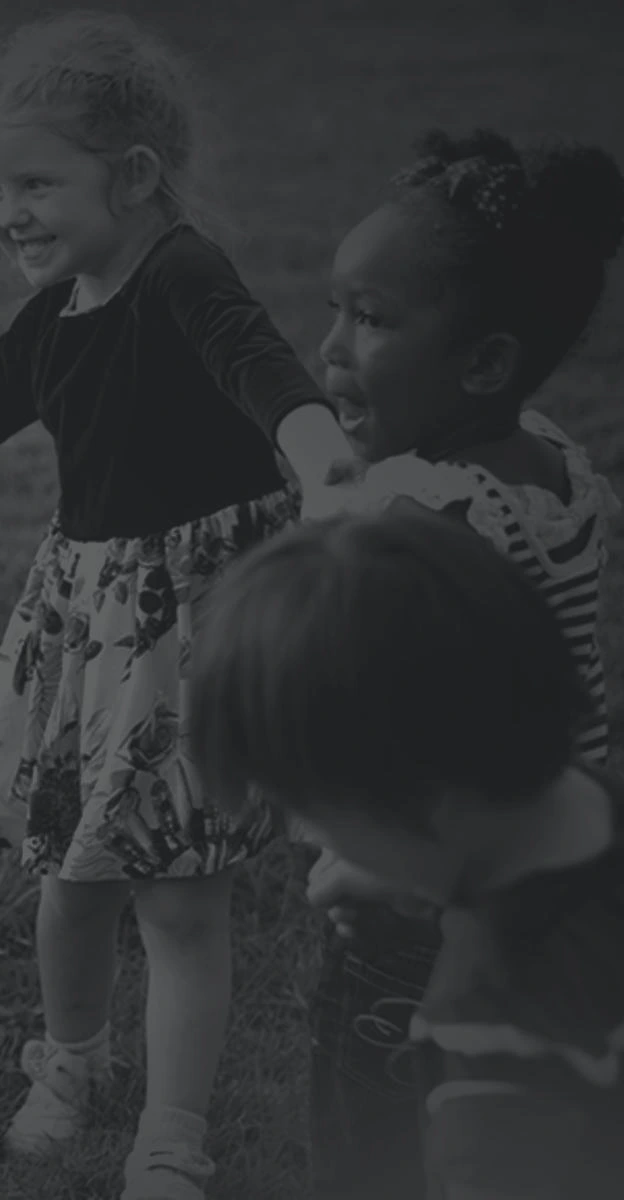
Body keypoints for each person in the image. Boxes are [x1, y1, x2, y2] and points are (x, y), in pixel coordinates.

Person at [0, 12, 361, 1197]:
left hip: (186, 630)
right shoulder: (60, 307)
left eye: (34, 183)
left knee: (176, 897)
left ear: (131, 177)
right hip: (86, 627)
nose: (5, 212)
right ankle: (70, 1062)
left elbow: (260, 367)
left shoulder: (180, 273)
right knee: (71, 879)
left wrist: (318, 456)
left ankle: (172, 1131)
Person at [294, 127, 624, 1198]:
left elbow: (399, 719)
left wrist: (375, 860)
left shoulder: (414, 513)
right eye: (336, 308)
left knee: (373, 1142)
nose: (329, 349)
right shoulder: (551, 459)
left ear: (482, 363)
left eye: (371, 319)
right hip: (552, 855)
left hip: (417, 892)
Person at [190, 505, 624, 1199]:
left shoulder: (493, 1048)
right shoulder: (594, 804)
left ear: (421, 803)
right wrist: (434, 890)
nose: (312, 841)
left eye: (311, 813)